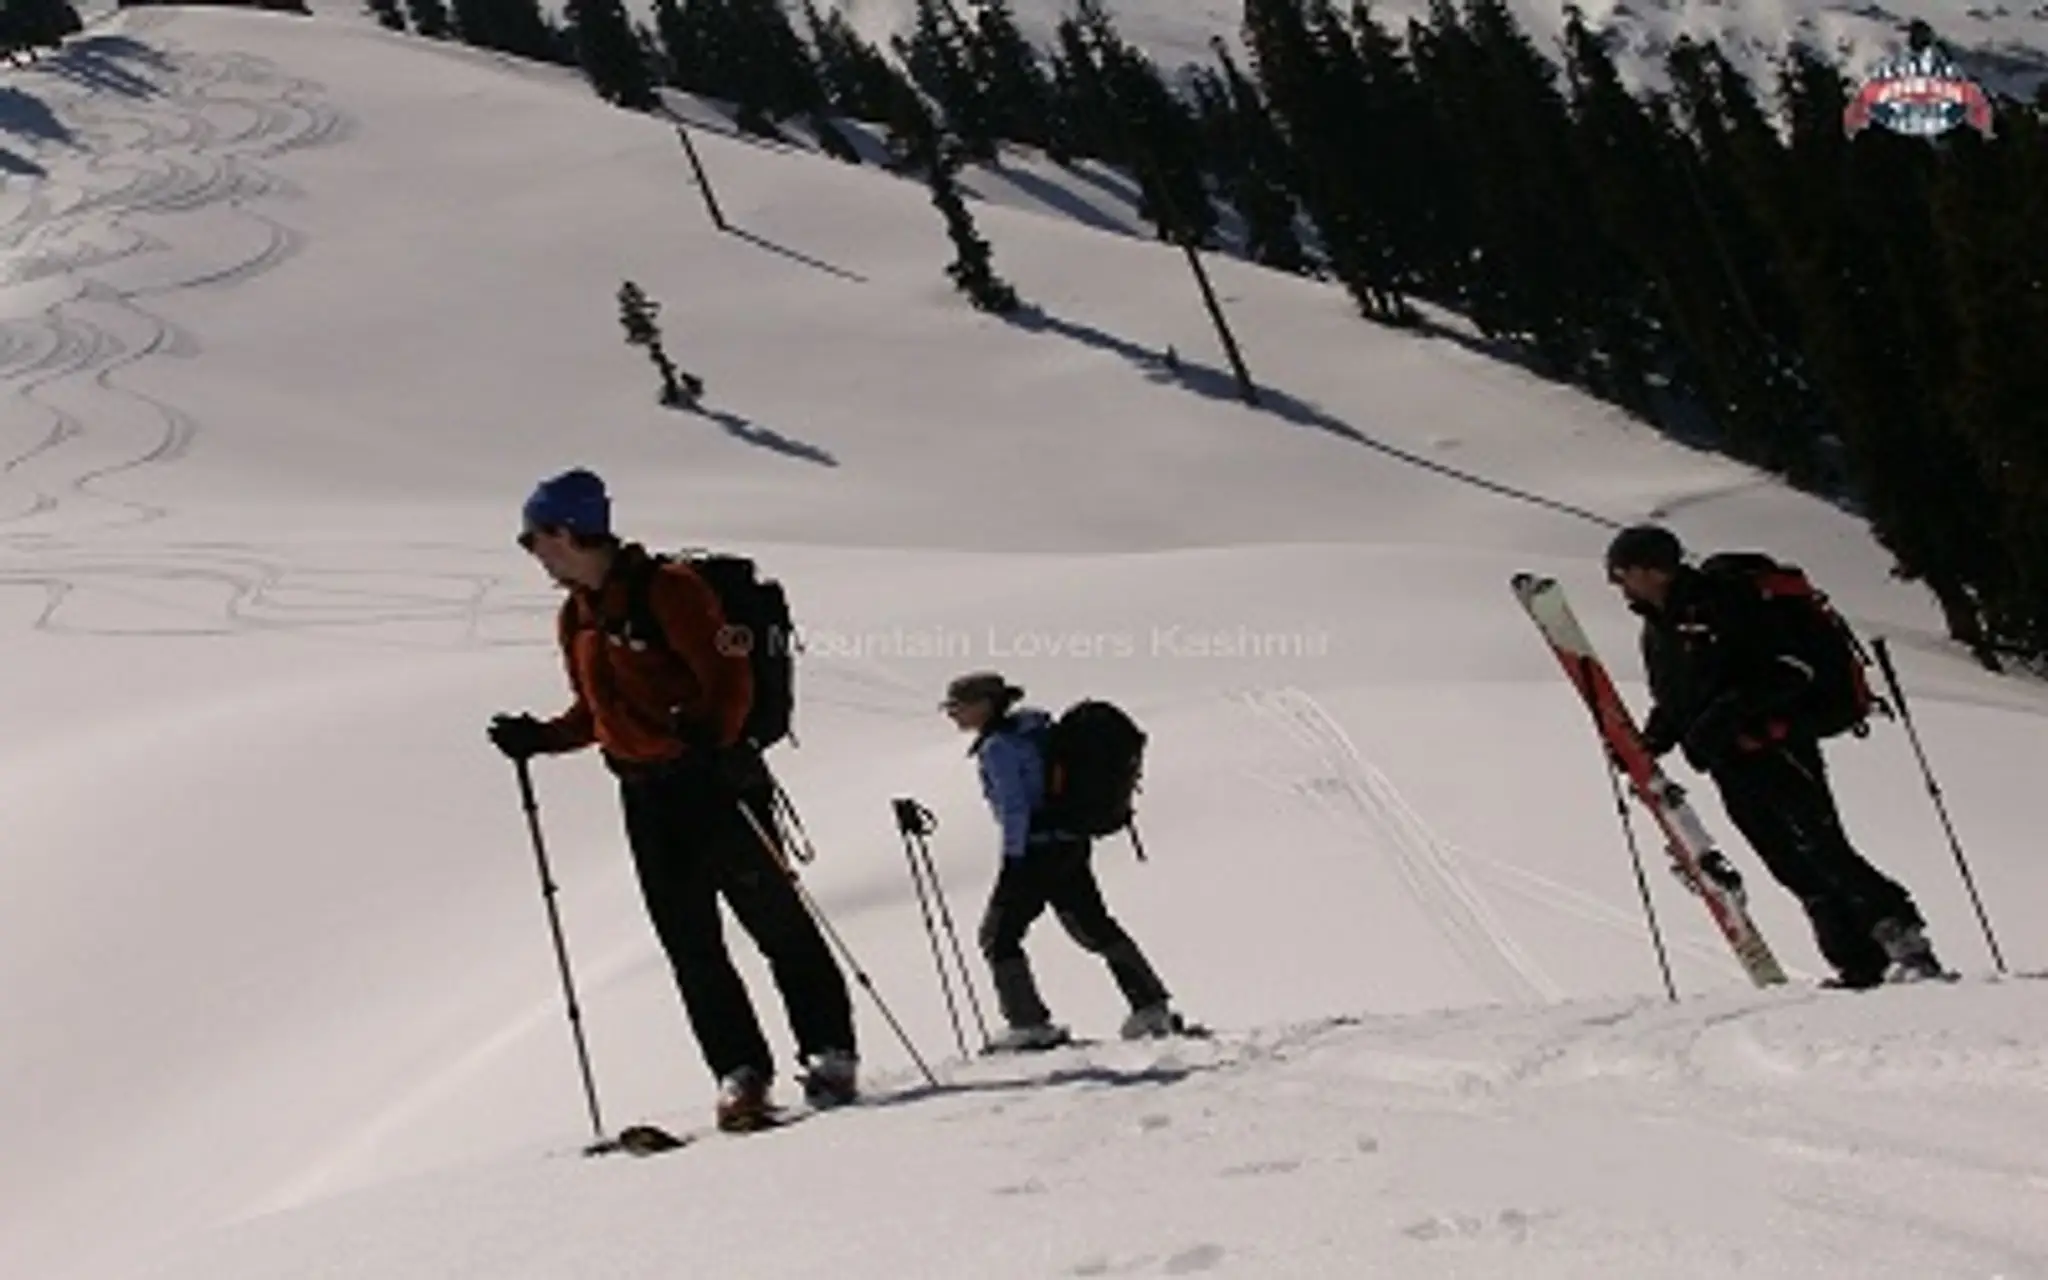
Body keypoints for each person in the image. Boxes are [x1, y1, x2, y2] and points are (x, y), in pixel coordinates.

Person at [487, 468, 858, 1130]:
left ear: (565, 531)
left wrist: (709, 739)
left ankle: (829, 1053)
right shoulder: (577, 615)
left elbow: (729, 681)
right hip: (645, 795)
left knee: (776, 924)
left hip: (715, 783)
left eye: (532, 537)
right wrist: (540, 738)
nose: (532, 552)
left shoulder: (671, 589)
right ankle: (740, 1073)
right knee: (690, 944)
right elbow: (596, 712)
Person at [1603, 524, 1945, 988]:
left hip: (1777, 746)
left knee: (1822, 849)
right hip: (1728, 761)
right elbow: (1678, 699)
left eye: (1622, 573)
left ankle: (1907, 945)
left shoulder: (1725, 603)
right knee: (1786, 861)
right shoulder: (1659, 628)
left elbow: (1789, 669)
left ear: (1653, 570)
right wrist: (1650, 741)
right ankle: (1859, 965)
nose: (1618, 584)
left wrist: (1729, 714)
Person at [941, 671, 1183, 1047]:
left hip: (1035, 851)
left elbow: (1016, 808)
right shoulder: (1036, 730)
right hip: (1070, 843)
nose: (952, 714)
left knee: (998, 936)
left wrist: (1014, 859)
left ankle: (1028, 1024)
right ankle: (1151, 1006)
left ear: (985, 705)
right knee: (1093, 926)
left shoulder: (999, 747)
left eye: (958, 706)